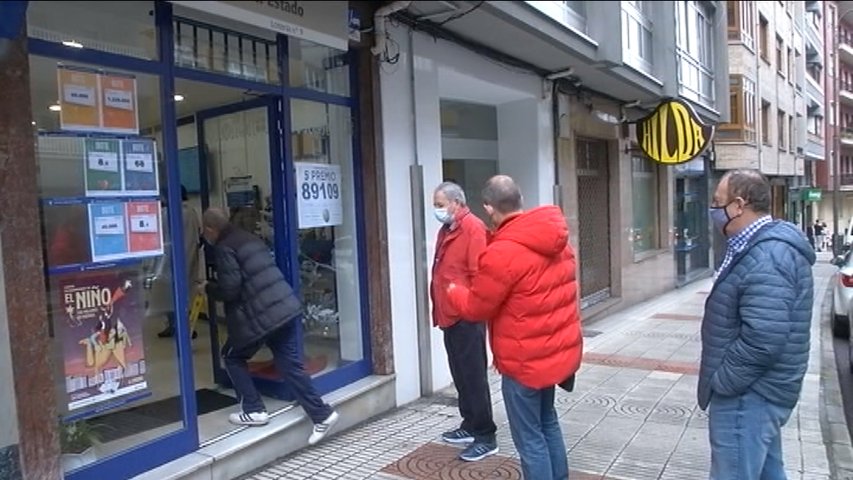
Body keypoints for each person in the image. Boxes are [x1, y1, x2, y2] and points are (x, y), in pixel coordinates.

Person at [446, 175, 582, 480]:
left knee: (530, 438)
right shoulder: (556, 240)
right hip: (553, 353)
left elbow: (477, 308)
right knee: (548, 422)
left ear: (489, 209)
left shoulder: (503, 251)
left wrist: (454, 291)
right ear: (519, 201)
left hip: (523, 361)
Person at [700, 169, 815, 479]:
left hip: (749, 395)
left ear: (738, 205)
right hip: (760, 392)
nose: (713, 209)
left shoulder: (767, 255)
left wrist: (725, 382)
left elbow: (764, 337)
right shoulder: (754, 245)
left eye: (717, 202)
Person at [202, 207, 339, 444]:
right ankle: (322, 414)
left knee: (232, 356)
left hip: (262, 315)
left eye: (205, 232)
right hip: (283, 308)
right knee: (290, 365)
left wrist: (207, 287)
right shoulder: (248, 238)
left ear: (210, 230)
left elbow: (230, 289)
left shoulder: (224, 247)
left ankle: (254, 410)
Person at [429, 181, 498, 462]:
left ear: (457, 203)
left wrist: (467, 308)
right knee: (460, 374)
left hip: (466, 316)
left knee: (473, 377)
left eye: (440, 204)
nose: (436, 209)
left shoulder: (472, 229)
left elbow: (478, 274)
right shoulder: (447, 230)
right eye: (435, 204)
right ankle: (469, 424)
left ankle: (485, 435)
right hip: (449, 315)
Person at [158, 185, 203, 339]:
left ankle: (176, 326)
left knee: (168, 296)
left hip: (171, 261)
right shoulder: (192, 212)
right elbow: (199, 235)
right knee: (185, 296)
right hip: (190, 259)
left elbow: (161, 239)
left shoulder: (166, 214)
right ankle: (185, 325)